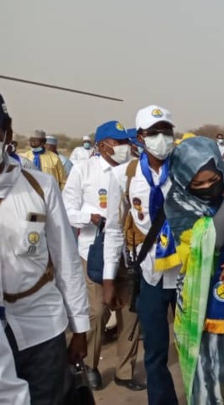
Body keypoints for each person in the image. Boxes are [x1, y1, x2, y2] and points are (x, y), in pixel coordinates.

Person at [0, 87, 90, 404]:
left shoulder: (40, 187)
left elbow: (66, 260)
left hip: (41, 328)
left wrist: (80, 327)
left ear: (7, 131)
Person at [104, 105, 181, 405]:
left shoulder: (185, 169)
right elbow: (114, 229)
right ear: (140, 137)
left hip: (187, 272)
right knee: (155, 350)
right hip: (150, 275)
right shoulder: (123, 176)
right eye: (154, 132)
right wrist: (109, 278)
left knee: (195, 347)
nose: (162, 138)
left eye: (166, 131)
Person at [62, 120, 143, 392]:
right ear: (102, 145)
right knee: (97, 311)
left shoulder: (133, 169)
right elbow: (67, 209)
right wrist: (91, 217)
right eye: (118, 143)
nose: (124, 147)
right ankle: (89, 364)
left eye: (125, 143)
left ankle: (124, 370)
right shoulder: (83, 170)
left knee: (130, 313)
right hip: (93, 251)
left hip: (127, 253)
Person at [167, 137, 224, 404]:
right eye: (197, 184)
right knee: (208, 372)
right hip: (200, 303)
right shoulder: (177, 204)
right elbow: (211, 240)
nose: (207, 188)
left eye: (213, 180)